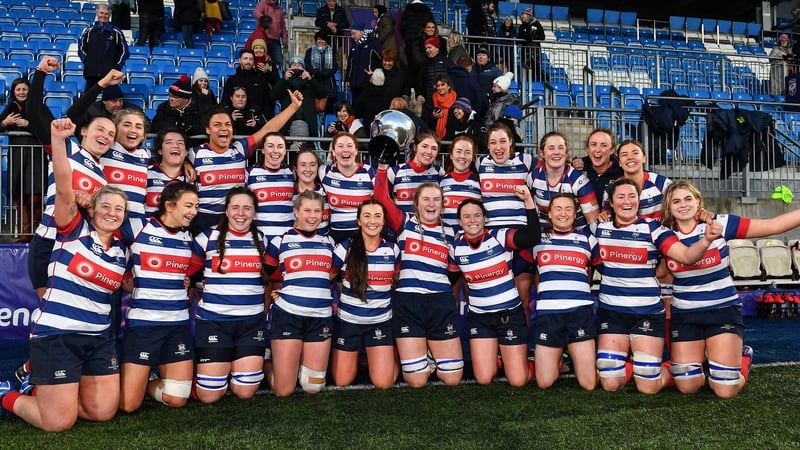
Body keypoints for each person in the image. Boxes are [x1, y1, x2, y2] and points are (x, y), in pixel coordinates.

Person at [0, 118, 127, 432]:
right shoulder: (71, 230)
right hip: (59, 334)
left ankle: (44, 382)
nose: (112, 212)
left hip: (96, 339)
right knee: (58, 422)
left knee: (102, 413)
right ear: (92, 208)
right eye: (106, 206)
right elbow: (64, 185)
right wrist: (58, 141)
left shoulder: (121, 250)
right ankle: (7, 394)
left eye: (119, 209)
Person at [659, 180, 800, 397]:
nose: (683, 205)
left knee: (725, 389)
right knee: (688, 386)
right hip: (685, 314)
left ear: (698, 202)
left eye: (688, 199)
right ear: (668, 208)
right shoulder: (662, 234)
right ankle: (707, 362)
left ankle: (742, 358)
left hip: (722, 310)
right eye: (676, 201)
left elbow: (772, 225)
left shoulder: (719, 223)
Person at [593, 178, 722, 394]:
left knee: (648, 387)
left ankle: (671, 370)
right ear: (611, 203)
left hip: (647, 312)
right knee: (610, 382)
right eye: (621, 197)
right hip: (611, 312)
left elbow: (685, 256)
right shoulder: (598, 229)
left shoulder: (654, 229)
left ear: (639, 200)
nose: (627, 201)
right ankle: (637, 366)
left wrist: (706, 240)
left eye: (632, 196)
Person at [117, 181, 201, 413]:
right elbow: (105, 238)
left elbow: (187, 275)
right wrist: (125, 278)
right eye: (189, 205)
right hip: (144, 325)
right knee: (127, 405)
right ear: (169, 205)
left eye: (196, 206)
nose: (194, 211)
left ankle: (146, 381)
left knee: (177, 398)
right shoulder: (137, 227)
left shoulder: (188, 238)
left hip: (178, 325)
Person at [373, 173, 463, 388]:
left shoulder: (451, 233)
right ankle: (421, 353)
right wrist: (383, 168)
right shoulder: (405, 223)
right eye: (426, 199)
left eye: (436, 200)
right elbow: (381, 197)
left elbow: (453, 271)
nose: (431, 205)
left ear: (443, 204)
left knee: (452, 379)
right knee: (417, 381)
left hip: (440, 302)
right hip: (409, 303)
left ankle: (431, 351)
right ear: (416, 203)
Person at [452, 186, 539, 387]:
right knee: (484, 378)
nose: (472, 220)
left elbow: (532, 237)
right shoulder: (456, 249)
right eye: (466, 217)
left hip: (510, 314)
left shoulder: (500, 237)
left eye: (477, 216)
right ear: (460, 222)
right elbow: (449, 278)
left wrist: (528, 201)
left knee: (518, 381)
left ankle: (532, 361)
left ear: (485, 219)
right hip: (479, 318)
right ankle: (498, 358)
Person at [191, 187, 270, 403]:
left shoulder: (263, 240)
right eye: (235, 207)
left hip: (251, 323)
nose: (241, 213)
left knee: (244, 392)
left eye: (247, 208)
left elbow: (269, 279)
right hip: (214, 322)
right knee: (209, 396)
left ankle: (234, 366)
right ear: (226, 211)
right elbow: (188, 271)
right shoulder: (206, 238)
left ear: (255, 213)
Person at [189, 92, 302, 231]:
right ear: (208, 129)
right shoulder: (194, 154)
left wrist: (293, 107)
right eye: (217, 125)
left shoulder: (240, 149)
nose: (224, 128)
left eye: (228, 124)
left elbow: (268, 129)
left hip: (234, 220)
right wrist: (184, 162)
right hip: (204, 219)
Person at [266, 190, 336, 396]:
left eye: (317, 211)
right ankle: (267, 361)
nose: (313, 216)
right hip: (289, 315)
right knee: (284, 390)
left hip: (320, 317)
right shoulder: (279, 241)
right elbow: (264, 276)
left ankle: (291, 366)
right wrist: (274, 293)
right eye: (306, 210)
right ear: (296, 212)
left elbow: (329, 276)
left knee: (312, 386)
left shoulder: (329, 243)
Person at [531, 193, 600, 390]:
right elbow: (524, 271)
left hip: (579, 312)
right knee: (544, 382)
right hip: (549, 313)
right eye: (558, 209)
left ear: (575, 213)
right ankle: (559, 360)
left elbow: (603, 267)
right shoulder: (537, 241)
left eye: (568, 209)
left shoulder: (588, 239)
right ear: (550, 214)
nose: (563, 213)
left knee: (588, 384)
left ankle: (601, 365)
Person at [330, 200, 400, 388]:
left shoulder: (392, 249)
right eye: (367, 216)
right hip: (348, 322)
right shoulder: (344, 248)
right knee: (341, 381)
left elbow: (398, 280)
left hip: (380, 322)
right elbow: (327, 278)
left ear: (384, 221)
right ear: (359, 221)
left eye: (378, 216)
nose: (372, 221)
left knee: (384, 383)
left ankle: (395, 353)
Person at [477, 121, 537, 325]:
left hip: (521, 237)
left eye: (503, 141)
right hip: (492, 240)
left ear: (511, 142)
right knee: (495, 297)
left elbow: (552, 165)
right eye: (493, 142)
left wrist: (579, 162)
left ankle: (525, 349)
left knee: (522, 298)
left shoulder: (526, 161)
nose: (498, 147)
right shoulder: (480, 164)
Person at [0, 78, 44, 243]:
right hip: (17, 156)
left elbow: (46, 127)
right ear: (13, 92)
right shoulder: (10, 108)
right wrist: (5, 122)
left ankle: (40, 232)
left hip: (35, 156)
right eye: (18, 89)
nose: (21, 92)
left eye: (24, 89)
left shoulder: (37, 107)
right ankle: (26, 232)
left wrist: (28, 124)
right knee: (19, 194)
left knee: (35, 195)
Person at [527, 131, 599, 230]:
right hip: (544, 236)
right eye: (551, 148)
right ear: (542, 153)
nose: (556, 152)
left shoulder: (579, 181)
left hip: (575, 236)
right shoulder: (533, 178)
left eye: (561, 148)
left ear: (566, 152)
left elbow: (593, 221)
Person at [320, 133, 375, 243]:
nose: (345, 150)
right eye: (340, 146)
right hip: (336, 234)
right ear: (334, 152)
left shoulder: (370, 172)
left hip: (363, 234)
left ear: (356, 151)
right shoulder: (324, 172)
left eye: (349, 146)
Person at [604, 139, 672, 220]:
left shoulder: (662, 183)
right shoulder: (611, 189)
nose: (630, 157)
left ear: (644, 158)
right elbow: (607, 220)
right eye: (624, 155)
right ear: (619, 162)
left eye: (635, 153)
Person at [247, 131, 295, 238]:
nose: (275, 151)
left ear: (285, 150)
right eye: (270, 146)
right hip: (259, 237)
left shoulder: (292, 173)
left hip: (286, 237)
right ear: (263, 150)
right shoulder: (250, 173)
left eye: (280, 147)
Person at [387, 132, 445, 214]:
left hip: (428, 225)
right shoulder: (395, 171)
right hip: (402, 225)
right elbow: (384, 198)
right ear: (415, 148)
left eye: (434, 148)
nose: (429, 151)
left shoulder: (439, 172)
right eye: (424, 146)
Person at [271, 56, 326, 140]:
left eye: (299, 65)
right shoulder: (284, 84)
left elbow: (322, 94)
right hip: (287, 125)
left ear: (304, 68)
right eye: (293, 65)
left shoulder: (310, 84)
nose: (296, 67)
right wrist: (284, 79)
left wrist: (310, 79)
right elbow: (273, 95)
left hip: (308, 124)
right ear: (289, 68)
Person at [79, 3, 129, 88]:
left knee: (111, 99)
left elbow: (124, 52)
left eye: (106, 14)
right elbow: (81, 48)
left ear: (109, 15)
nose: (104, 16)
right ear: (97, 13)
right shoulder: (89, 31)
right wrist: (87, 62)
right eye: (101, 13)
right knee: (89, 99)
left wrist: (116, 67)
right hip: (92, 72)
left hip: (110, 74)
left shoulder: (116, 32)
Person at [145, 128, 193, 214]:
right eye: (168, 142)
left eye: (180, 143)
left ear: (186, 152)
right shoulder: (146, 173)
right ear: (160, 150)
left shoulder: (192, 177)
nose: (175, 145)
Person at [440, 135, 481, 232]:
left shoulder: (479, 182)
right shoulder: (441, 182)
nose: (462, 156)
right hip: (445, 238)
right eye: (458, 151)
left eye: (467, 152)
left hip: (469, 240)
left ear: (473, 157)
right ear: (451, 155)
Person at [571, 128, 623, 205]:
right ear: (588, 148)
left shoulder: (621, 171)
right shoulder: (578, 167)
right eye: (593, 144)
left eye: (604, 145)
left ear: (612, 150)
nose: (597, 150)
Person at [359, 48, 409, 126]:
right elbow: (366, 93)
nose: (387, 63)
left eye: (390, 61)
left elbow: (406, 89)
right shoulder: (376, 72)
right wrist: (371, 78)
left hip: (394, 113)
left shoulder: (400, 75)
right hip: (376, 112)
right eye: (385, 60)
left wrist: (403, 99)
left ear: (394, 62)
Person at [222, 49, 276, 118]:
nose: (248, 61)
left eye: (251, 59)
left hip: (257, 122)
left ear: (253, 62)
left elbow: (269, 104)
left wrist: (260, 119)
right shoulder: (232, 80)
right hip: (236, 121)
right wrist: (230, 115)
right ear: (240, 61)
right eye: (245, 58)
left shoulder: (261, 80)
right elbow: (224, 102)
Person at [346, 23, 382, 116]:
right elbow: (350, 64)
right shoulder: (354, 46)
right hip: (355, 84)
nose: (352, 36)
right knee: (356, 110)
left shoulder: (373, 43)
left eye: (354, 33)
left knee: (367, 110)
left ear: (361, 32)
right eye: (351, 34)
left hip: (367, 83)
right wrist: (347, 79)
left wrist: (375, 72)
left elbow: (382, 60)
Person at [151, 75, 204, 139]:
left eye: (175, 97)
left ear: (186, 99)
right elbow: (155, 127)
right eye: (170, 95)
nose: (171, 99)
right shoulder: (163, 108)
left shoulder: (199, 109)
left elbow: (201, 129)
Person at [292, 147, 330, 235]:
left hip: (322, 245)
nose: (308, 169)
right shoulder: (289, 193)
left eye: (312, 165)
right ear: (296, 168)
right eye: (303, 165)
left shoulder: (326, 191)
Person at [417, 36, 451, 126]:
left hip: (446, 102)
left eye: (430, 47)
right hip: (429, 103)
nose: (427, 50)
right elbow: (420, 82)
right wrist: (419, 94)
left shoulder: (447, 62)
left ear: (437, 48)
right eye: (426, 48)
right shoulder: (424, 64)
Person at [305, 31, 339, 115]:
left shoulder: (331, 51)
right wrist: (315, 72)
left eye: (322, 39)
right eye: (318, 39)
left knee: (329, 107)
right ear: (316, 41)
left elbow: (335, 67)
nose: (320, 41)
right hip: (315, 81)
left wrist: (325, 74)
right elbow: (306, 65)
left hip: (328, 82)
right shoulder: (310, 51)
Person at [400, 0, 434, 75]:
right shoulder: (427, 11)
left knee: (411, 68)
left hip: (410, 41)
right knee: (424, 66)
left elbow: (402, 26)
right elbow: (432, 26)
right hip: (424, 41)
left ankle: (413, 85)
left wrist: (406, 37)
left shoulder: (407, 11)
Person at [252, 0, 288, 69]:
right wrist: (265, 20)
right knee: (261, 61)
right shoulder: (262, 3)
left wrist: (284, 38)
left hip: (275, 41)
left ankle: (277, 77)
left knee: (278, 63)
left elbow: (283, 25)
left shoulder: (279, 9)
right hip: (263, 39)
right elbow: (256, 12)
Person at [517, 7, 547, 82]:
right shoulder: (521, 27)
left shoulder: (537, 24)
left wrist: (534, 36)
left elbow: (542, 37)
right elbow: (519, 38)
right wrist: (526, 36)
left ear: (529, 16)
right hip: (525, 52)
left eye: (524, 14)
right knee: (525, 68)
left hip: (535, 52)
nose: (522, 16)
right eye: (522, 15)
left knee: (535, 69)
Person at [472, 47, 502, 117]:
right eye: (479, 55)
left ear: (488, 58)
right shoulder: (472, 69)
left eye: (483, 55)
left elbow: (500, 86)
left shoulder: (494, 70)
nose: (481, 57)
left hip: (489, 103)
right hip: (474, 102)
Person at [428, 75, 457, 139]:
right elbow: (426, 118)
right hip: (434, 135)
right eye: (438, 86)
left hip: (451, 135)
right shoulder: (432, 99)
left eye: (443, 84)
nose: (440, 88)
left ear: (449, 86)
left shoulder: (456, 100)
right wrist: (433, 116)